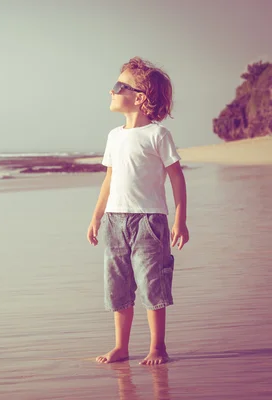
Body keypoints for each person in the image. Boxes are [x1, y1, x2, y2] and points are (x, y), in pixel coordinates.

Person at [87, 57, 189, 366]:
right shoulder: (114, 136)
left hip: (149, 220)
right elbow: (109, 179)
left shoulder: (157, 135)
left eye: (119, 86)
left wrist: (180, 220)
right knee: (118, 286)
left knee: (151, 283)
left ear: (140, 96)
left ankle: (158, 347)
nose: (111, 90)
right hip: (115, 221)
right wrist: (96, 216)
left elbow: (176, 176)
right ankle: (121, 346)